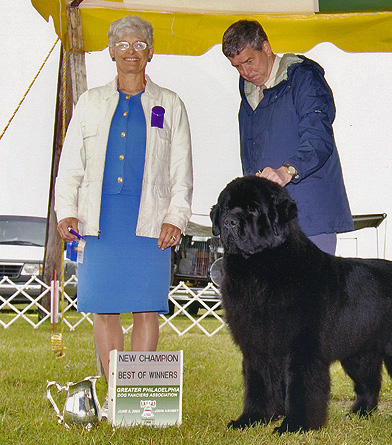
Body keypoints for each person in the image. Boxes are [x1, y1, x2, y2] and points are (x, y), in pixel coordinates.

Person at [55, 16, 193, 391]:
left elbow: (181, 169)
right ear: (110, 50)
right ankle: (116, 389)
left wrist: (176, 217)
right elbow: (71, 163)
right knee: (104, 306)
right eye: (122, 45)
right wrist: (66, 209)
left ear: (151, 52)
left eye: (139, 45)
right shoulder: (89, 102)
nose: (130, 52)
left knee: (147, 305)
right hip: (98, 219)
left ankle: (140, 391)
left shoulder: (170, 104)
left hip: (149, 219)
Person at [222, 20, 353, 254]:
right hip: (267, 225)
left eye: (249, 61)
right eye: (237, 67)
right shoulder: (249, 94)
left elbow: (318, 139)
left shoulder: (304, 78)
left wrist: (286, 171)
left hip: (310, 218)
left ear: (266, 47)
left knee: (311, 291)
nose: (245, 72)